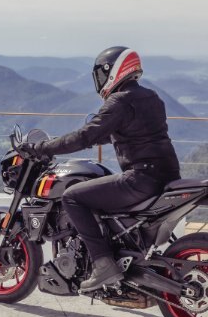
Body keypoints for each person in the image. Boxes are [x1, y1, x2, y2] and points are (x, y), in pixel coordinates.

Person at [23, 46, 180, 292]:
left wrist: (43, 148)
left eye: (100, 74)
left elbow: (84, 136)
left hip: (140, 179)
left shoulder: (119, 101)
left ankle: (103, 264)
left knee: (72, 197)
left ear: (113, 71)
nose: (99, 80)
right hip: (167, 175)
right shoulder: (151, 97)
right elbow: (130, 132)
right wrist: (98, 136)